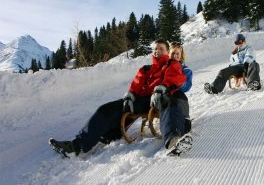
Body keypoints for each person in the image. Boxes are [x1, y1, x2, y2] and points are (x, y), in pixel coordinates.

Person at [49, 39, 190, 157]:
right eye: (155, 49)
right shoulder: (145, 69)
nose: (157, 51)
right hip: (141, 101)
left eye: (161, 48)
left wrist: (163, 87)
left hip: (158, 98)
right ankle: (77, 146)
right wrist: (130, 96)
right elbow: (136, 84)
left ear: (167, 51)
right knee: (106, 109)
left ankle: (173, 139)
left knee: (168, 100)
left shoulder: (171, 64)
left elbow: (176, 77)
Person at [159, 43, 193, 155]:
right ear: (169, 54)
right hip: (166, 94)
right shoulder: (165, 66)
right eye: (173, 53)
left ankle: (180, 136)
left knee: (178, 101)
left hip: (179, 95)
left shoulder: (186, 69)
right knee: (169, 104)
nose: (175, 55)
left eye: (177, 53)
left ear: (181, 55)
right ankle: (174, 137)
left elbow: (187, 86)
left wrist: (177, 83)